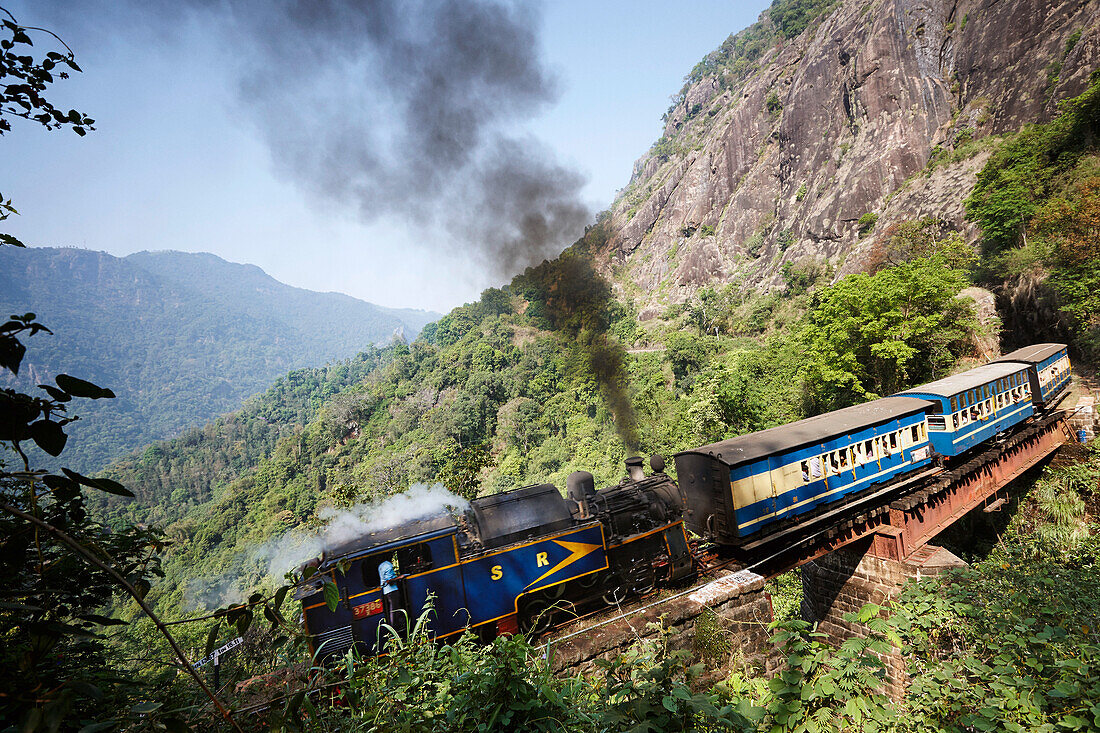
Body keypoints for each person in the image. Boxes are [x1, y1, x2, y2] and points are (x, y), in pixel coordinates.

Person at [378, 559, 406, 640]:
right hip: (392, 590)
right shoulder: (388, 565)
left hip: (386, 591)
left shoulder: (381, 565)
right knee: (395, 612)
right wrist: (400, 577)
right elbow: (389, 580)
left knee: (392, 610)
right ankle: (395, 632)